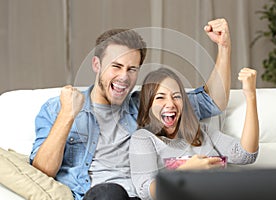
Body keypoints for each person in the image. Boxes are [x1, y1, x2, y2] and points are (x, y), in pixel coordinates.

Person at [29, 18, 231, 200]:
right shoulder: (57, 108)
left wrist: (224, 48)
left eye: (131, 69)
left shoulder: (146, 105)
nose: (124, 77)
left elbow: (211, 101)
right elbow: (42, 171)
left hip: (143, 196)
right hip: (100, 196)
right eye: (116, 66)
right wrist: (67, 115)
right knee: (111, 193)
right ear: (96, 64)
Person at [129, 67, 259, 200]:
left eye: (176, 96)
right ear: (148, 105)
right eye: (160, 97)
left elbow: (245, 155)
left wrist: (250, 96)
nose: (170, 104)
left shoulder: (202, 131)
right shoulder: (143, 138)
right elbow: (145, 192)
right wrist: (184, 171)